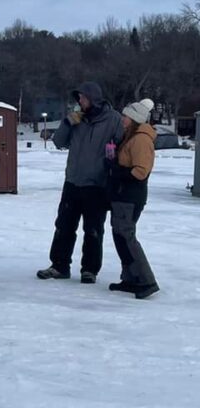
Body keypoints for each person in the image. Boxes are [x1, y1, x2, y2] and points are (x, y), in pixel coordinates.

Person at [37, 82, 123, 283]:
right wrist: (67, 123)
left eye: (82, 98)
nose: (79, 102)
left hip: (97, 184)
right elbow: (59, 142)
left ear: (93, 99)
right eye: (79, 98)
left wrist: (112, 161)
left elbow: (120, 144)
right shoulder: (76, 119)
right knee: (64, 225)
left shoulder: (113, 120)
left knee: (93, 229)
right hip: (73, 181)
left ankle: (90, 269)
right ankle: (59, 265)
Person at [107, 98, 159, 299]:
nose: (122, 119)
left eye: (126, 116)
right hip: (122, 195)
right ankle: (131, 278)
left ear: (135, 118)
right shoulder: (130, 136)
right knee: (120, 236)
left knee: (126, 237)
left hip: (130, 196)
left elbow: (140, 171)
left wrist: (117, 172)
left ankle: (146, 280)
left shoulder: (141, 139)